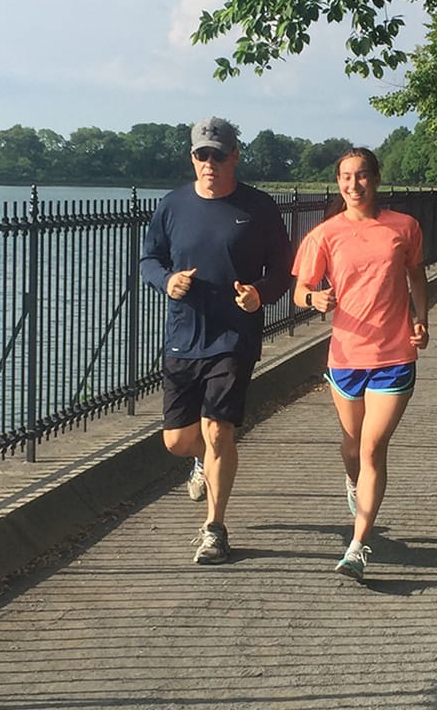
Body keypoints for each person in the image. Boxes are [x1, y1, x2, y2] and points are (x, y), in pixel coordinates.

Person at [140, 117, 292, 564]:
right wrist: (167, 282)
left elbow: (284, 269)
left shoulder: (259, 207)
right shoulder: (172, 206)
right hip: (183, 335)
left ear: (234, 156)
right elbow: (150, 258)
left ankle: (214, 529)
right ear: (192, 157)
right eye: (201, 154)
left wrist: (259, 294)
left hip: (234, 336)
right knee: (177, 441)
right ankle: (201, 462)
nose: (210, 162)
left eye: (218, 154)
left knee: (219, 429)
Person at [292, 147, 429, 581]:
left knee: (372, 448)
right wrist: (314, 298)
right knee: (352, 445)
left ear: (376, 179)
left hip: (393, 356)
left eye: (363, 176)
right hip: (346, 357)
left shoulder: (403, 227)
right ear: (338, 183)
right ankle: (354, 484)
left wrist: (421, 319)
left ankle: (357, 545)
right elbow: (300, 291)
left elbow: (417, 274)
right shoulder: (325, 235)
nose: (355, 185)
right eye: (346, 178)